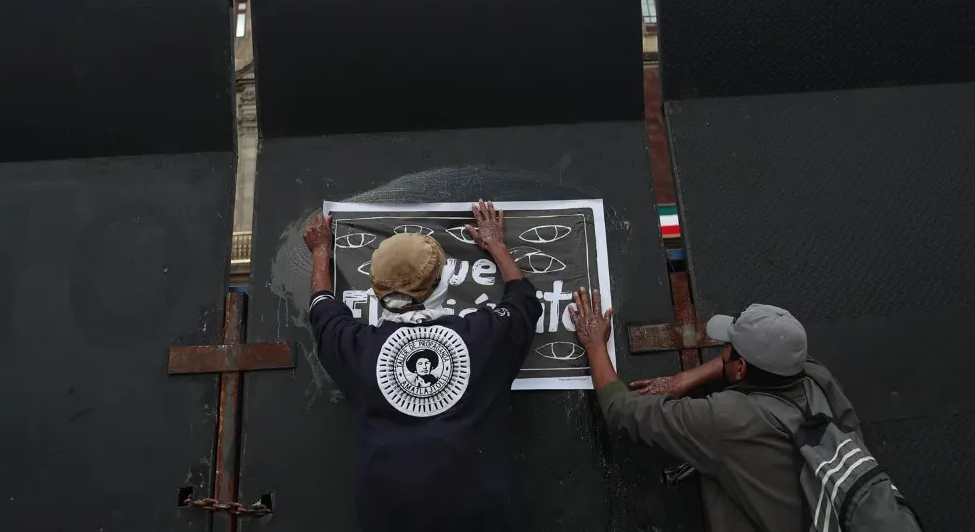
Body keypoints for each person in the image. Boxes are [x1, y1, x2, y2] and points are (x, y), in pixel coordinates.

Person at [304, 201, 541, 532]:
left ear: (375, 289)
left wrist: (319, 251)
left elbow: (322, 308)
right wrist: (497, 246)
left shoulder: (355, 348)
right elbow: (523, 300)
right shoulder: (483, 337)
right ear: (443, 282)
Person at [569, 289, 861, 532]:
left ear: (741, 366)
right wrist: (686, 378)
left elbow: (620, 410)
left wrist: (595, 344)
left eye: (727, 347)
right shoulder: (815, 375)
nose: (722, 351)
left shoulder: (727, 418)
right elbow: (740, 365)